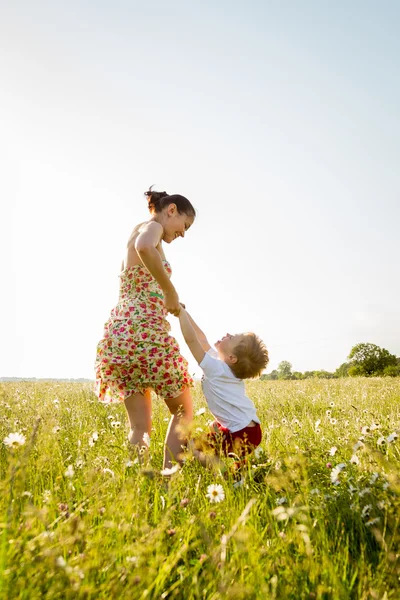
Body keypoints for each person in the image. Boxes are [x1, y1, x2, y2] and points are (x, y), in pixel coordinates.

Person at [95, 188, 196, 468]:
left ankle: (139, 485)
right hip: (145, 333)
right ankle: (168, 480)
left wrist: (167, 298)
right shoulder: (150, 226)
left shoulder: (138, 232)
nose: (184, 234)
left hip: (120, 337)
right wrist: (169, 289)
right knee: (184, 411)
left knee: (139, 428)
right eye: (185, 225)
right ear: (171, 210)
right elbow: (144, 246)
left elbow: (142, 279)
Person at [177, 307, 269, 467]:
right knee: (213, 427)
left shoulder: (216, 368)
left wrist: (180, 315)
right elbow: (202, 339)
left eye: (231, 337)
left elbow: (192, 341)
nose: (227, 334)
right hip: (252, 430)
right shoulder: (222, 366)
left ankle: (224, 473)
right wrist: (184, 312)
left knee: (192, 446)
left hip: (240, 434)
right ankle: (241, 464)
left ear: (232, 357)